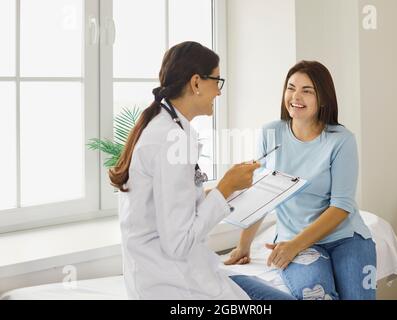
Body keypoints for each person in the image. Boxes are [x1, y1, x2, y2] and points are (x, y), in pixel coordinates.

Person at [108, 41, 292, 300]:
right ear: (196, 83)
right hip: (172, 286)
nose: (218, 92)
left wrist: (227, 189)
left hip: (176, 275)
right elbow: (179, 243)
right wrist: (226, 186)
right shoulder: (170, 139)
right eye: (217, 81)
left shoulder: (168, 127)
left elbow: (178, 203)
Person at [224, 60, 377, 300]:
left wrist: (293, 246)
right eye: (291, 87)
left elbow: (341, 206)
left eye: (307, 91)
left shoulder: (341, 140)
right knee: (319, 296)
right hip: (295, 238)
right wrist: (243, 246)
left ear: (323, 98)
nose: (296, 96)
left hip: (345, 238)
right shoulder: (270, 133)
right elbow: (262, 194)